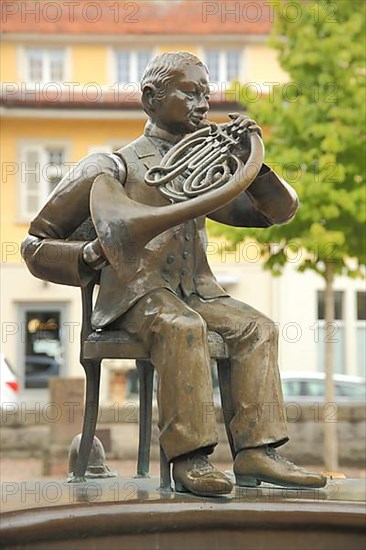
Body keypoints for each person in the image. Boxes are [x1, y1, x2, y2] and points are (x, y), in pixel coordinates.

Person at [22, 52, 327, 497]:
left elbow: (276, 213)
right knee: (183, 327)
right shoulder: (110, 167)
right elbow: (35, 244)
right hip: (134, 296)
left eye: (206, 93)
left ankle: (257, 451)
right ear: (151, 98)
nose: (203, 103)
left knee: (256, 327)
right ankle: (190, 457)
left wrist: (254, 167)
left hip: (197, 291)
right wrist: (88, 255)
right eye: (190, 92)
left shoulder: (206, 164)